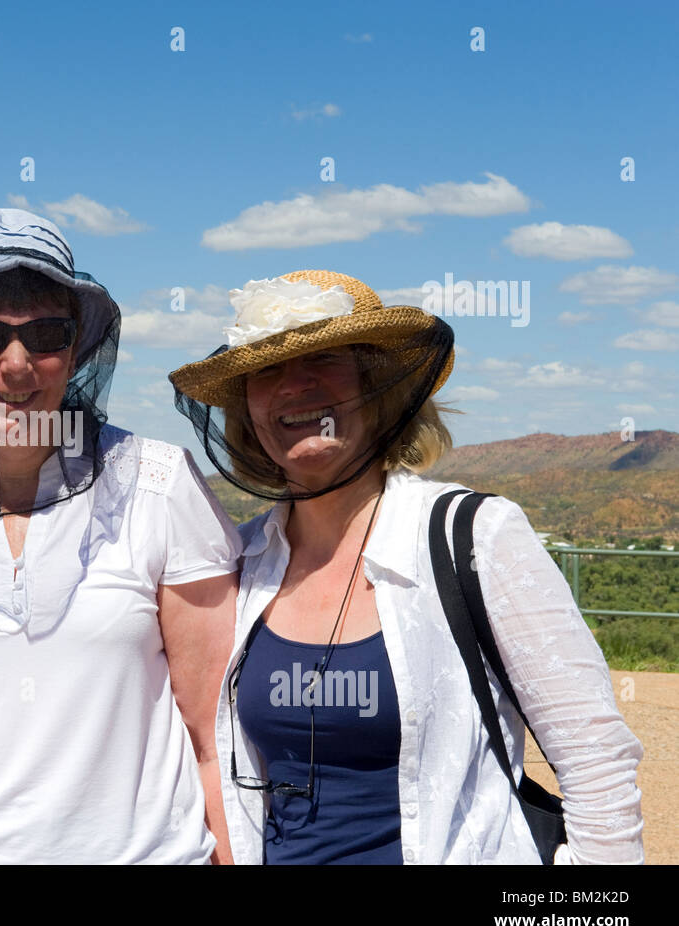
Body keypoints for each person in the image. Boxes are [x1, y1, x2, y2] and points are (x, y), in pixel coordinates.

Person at [169, 269, 645, 864]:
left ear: (378, 386)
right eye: (267, 369)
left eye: (327, 357)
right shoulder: (239, 566)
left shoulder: (474, 536)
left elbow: (596, 756)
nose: (296, 384)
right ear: (248, 410)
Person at [0, 208, 242, 864]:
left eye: (45, 335)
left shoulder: (158, 487)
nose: (16, 364)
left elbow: (217, 738)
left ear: (75, 351)